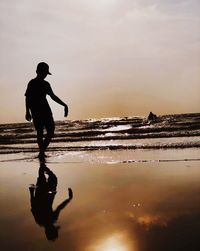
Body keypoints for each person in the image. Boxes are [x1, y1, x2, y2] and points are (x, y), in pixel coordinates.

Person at [25, 62, 68, 158]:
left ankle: (41, 151)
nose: (45, 75)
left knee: (50, 131)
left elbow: (53, 96)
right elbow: (27, 98)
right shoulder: (32, 83)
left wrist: (64, 105)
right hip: (37, 110)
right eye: (44, 73)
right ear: (38, 72)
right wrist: (27, 111)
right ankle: (42, 152)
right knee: (40, 132)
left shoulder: (45, 84)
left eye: (45, 73)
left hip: (44, 110)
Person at [29, 163, 73, 241]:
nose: (54, 226)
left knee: (43, 174)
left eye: (54, 229)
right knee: (51, 177)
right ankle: (42, 161)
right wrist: (69, 199)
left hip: (42, 193)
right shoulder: (51, 219)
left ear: (49, 230)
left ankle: (42, 160)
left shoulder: (41, 220)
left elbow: (33, 206)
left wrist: (31, 192)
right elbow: (60, 207)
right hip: (48, 193)